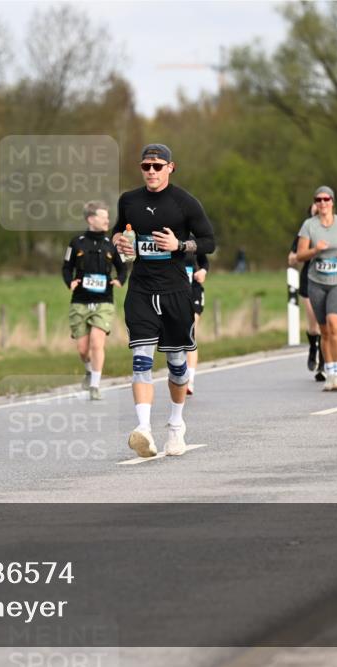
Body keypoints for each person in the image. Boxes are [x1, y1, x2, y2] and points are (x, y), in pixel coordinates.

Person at [111, 144, 215, 458]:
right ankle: (143, 429)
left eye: (158, 166)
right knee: (141, 358)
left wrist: (180, 244)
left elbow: (209, 241)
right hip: (141, 289)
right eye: (146, 166)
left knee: (177, 365)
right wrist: (120, 244)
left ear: (171, 167)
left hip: (175, 292)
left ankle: (175, 425)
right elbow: (119, 234)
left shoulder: (185, 202)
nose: (152, 172)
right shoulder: (129, 201)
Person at [294, 186, 337, 391]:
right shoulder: (309, 225)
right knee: (323, 330)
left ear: (332, 201)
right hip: (317, 282)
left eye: (326, 199)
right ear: (315, 203)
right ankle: (330, 372)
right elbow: (299, 255)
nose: (322, 203)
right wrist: (316, 249)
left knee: (335, 324)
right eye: (318, 199)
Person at [62, 200, 128, 400]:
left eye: (108, 217)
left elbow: (123, 267)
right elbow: (66, 266)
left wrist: (119, 280)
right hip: (80, 301)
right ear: (91, 219)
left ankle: (95, 386)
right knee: (83, 349)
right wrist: (70, 282)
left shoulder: (111, 245)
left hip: (104, 301)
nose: (107, 220)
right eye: (103, 217)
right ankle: (89, 370)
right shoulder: (76, 243)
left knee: (97, 343)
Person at [289, 203, 325, 380]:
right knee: (313, 325)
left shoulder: (333, 230)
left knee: (325, 323)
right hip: (309, 278)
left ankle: (324, 366)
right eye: (314, 211)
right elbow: (292, 257)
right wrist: (300, 255)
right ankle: (313, 348)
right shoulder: (305, 231)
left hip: (328, 279)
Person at [184, 250, 210, 395]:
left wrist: (203, 271)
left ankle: (190, 380)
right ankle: (180, 374)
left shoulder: (193, 241)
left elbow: (204, 261)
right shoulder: (167, 237)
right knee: (177, 337)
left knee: (190, 333)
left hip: (194, 291)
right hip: (175, 293)